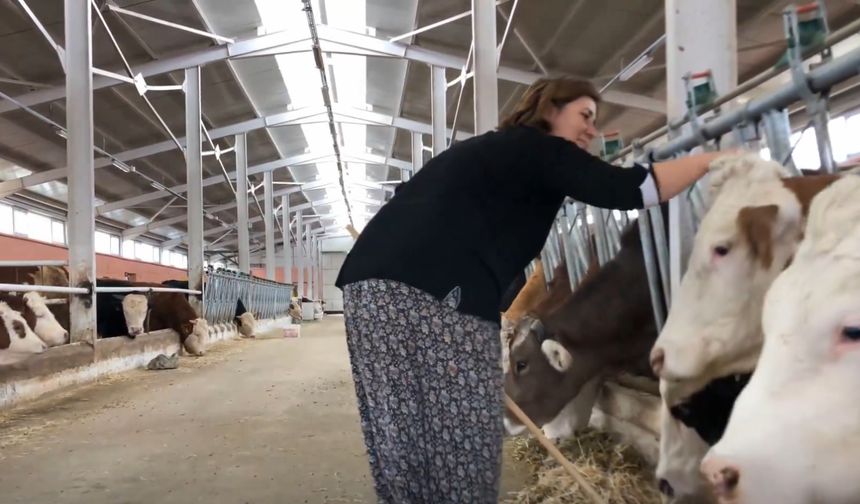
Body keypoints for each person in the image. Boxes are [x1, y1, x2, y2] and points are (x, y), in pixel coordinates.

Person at [335, 77, 734, 503]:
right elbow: (632, 188)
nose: (591, 131)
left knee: (401, 433)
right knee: (464, 435)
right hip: (436, 296)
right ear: (550, 110)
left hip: (369, 290)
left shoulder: (495, 151)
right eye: (584, 116)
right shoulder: (541, 148)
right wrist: (714, 160)